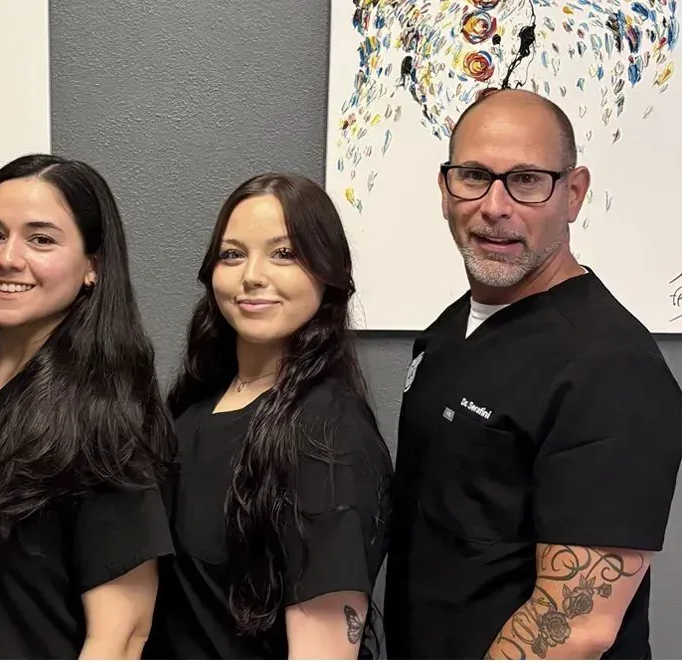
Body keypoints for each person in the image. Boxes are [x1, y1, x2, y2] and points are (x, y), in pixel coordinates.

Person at [384, 88, 682, 659]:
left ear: (573, 194)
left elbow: (577, 624)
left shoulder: (610, 368)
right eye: (474, 175)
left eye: (526, 180)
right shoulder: (449, 331)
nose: (495, 206)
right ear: (445, 190)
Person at [0, 154, 176, 659]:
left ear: (93, 267)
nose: (8, 258)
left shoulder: (105, 419)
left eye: (41, 239)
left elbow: (121, 636)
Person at [144, 173, 394, 659]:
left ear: (328, 274)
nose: (251, 275)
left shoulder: (329, 435)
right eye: (233, 254)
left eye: (284, 254)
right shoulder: (194, 410)